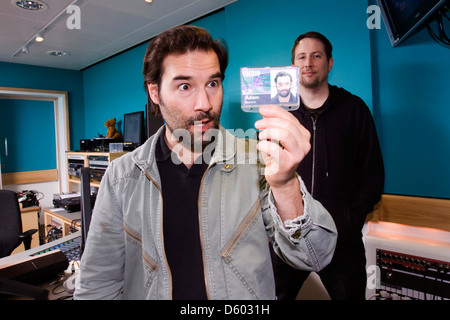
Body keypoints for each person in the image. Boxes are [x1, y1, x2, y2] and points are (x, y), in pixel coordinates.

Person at [74, 25, 337, 300]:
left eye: (213, 83)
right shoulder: (121, 176)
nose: (204, 103)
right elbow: (97, 284)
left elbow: (315, 256)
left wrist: (285, 185)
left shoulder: (259, 163)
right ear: (154, 92)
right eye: (185, 86)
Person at [271, 31, 385, 300]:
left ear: (330, 63)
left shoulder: (354, 109)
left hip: (341, 242)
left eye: (316, 55)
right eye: (301, 57)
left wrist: (349, 219)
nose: (308, 62)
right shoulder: (279, 115)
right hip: (289, 239)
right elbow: (265, 177)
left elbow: (373, 175)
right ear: (293, 65)